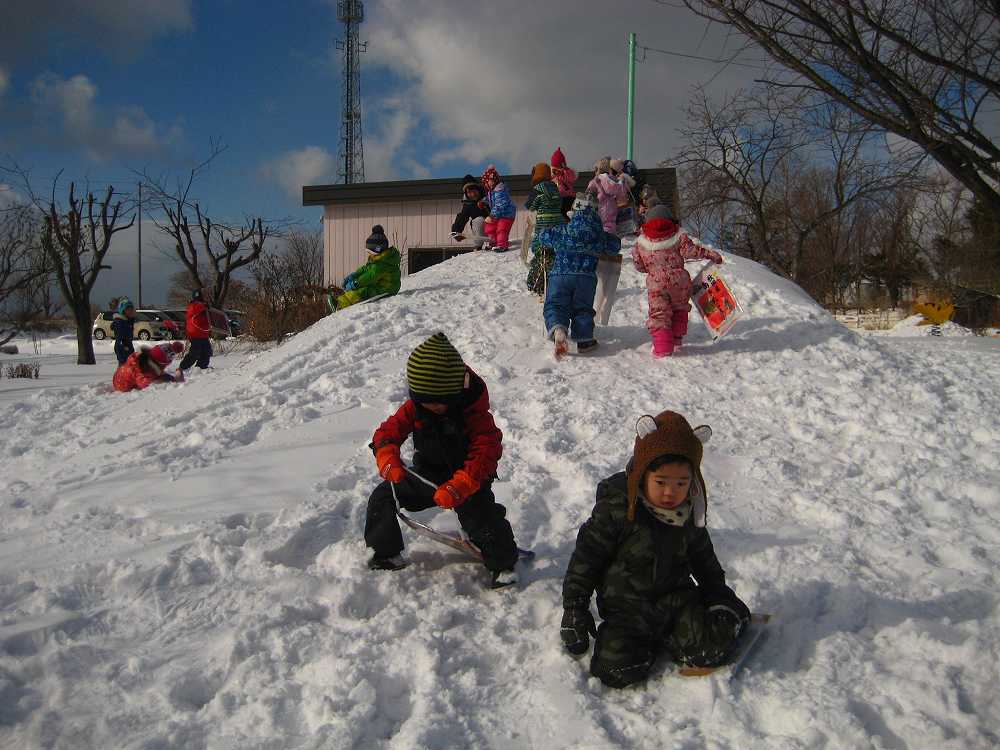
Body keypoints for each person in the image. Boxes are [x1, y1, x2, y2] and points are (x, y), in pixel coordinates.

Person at [560, 410, 750, 688]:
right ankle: (658, 642)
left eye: (681, 483)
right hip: (627, 609)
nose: (671, 492)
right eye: (661, 482)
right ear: (641, 475)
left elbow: (704, 561)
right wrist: (575, 608)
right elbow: (586, 559)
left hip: (676, 602)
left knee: (709, 649)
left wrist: (716, 594)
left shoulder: (689, 514)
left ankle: (730, 615)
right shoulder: (617, 510)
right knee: (614, 670)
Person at [363, 332, 521, 589]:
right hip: (429, 475)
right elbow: (389, 431)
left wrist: (462, 484)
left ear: (453, 393)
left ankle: (504, 564)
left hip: (469, 481)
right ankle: (384, 554)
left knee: (483, 521)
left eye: (437, 403)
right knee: (382, 497)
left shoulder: (475, 416)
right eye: (424, 401)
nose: (431, 407)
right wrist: (385, 452)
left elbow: (486, 453)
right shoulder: (417, 406)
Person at [632, 205, 724, 358]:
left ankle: (663, 348)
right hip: (679, 281)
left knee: (660, 314)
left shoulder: (640, 242)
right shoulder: (678, 235)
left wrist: (650, 268)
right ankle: (676, 338)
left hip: (656, 284)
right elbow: (691, 251)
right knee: (679, 307)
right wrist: (710, 254)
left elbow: (638, 264)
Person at [537, 193, 620, 357]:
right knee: (582, 308)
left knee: (556, 304)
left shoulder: (564, 229)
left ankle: (559, 328)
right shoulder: (599, 235)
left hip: (560, 274)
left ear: (574, 211)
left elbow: (543, 236)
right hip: (585, 278)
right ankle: (584, 341)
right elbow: (614, 246)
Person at [331, 225, 402, 311]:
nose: (369, 253)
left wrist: (356, 283)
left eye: (369, 251)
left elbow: (370, 276)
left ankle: (339, 304)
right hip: (382, 284)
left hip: (387, 288)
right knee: (365, 286)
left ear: (378, 249)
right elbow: (367, 269)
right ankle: (341, 301)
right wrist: (355, 274)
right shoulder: (379, 259)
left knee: (364, 290)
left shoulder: (382, 264)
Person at [524, 162, 565, 297]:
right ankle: (558, 279)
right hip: (558, 223)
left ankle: (537, 283)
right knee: (555, 250)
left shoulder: (537, 189)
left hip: (544, 223)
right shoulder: (555, 187)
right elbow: (560, 203)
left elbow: (530, 205)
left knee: (540, 248)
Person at [112, 341, 185, 392]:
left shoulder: (142, 357)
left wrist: (168, 377)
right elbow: (144, 383)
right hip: (122, 385)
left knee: (158, 374)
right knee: (155, 376)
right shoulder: (144, 370)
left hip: (118, 375)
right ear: (161, 363)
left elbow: (157, 372)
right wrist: (162, 380)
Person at [586, 157, 628, 235]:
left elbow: (587, 195)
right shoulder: (614, 181)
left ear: (598, 169)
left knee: (597, 230)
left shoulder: (594, 181)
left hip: (598, 209)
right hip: (611, 210)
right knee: (610, 228)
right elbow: (622, 194)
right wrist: (622, 182)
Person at [481, 165, 516, 252]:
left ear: (493, 181)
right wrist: (483, 202)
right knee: (490, 227)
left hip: (507, 214)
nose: (485, 184)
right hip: (498, 214)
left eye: (487, 182)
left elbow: (500, 204)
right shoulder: (492, 191)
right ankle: (493, 243)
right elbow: (490, 200)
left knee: (501, 228)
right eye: (485, 182)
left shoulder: (500, 190)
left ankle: (502, 245)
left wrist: (492, 215)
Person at [178, 290, 213, 372]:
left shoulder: (205, 308)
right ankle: (183, 367)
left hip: (204, 335)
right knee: (195, 353)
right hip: (194, 334)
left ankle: (201, 368)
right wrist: (204, 306)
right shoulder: (192, 306)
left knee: (206, 352)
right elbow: (194, 309)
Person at [450, 174, 490, 244]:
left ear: (478, 190)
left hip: (494, 225)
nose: (473, 194)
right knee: (479, 220)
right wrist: (456, 231)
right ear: (466, 193)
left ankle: (499, 240)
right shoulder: (468, 204)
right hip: (480, 228)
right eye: (469, 192)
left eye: (474, 191)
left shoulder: (488, 197)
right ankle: (478, 245)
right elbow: (462, 217)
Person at [550, 147, 578, 218]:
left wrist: (563, 170)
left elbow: (571, 178)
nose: (556, 171)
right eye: (554, 169)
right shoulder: (554, 177)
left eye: (557, 168)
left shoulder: (567, 173)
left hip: (569, 198)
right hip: (559, 199)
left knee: (569, 215)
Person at [111, 297, 136, 366]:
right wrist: (122, 358)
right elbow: (119, 343)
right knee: (124, 374)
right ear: (123, 311)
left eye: (131, 309)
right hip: (124, 355)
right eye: (128, 309)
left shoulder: (128, 322)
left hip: (129, 353)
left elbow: (128, 340)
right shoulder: (120, 323)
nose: (131, 311)